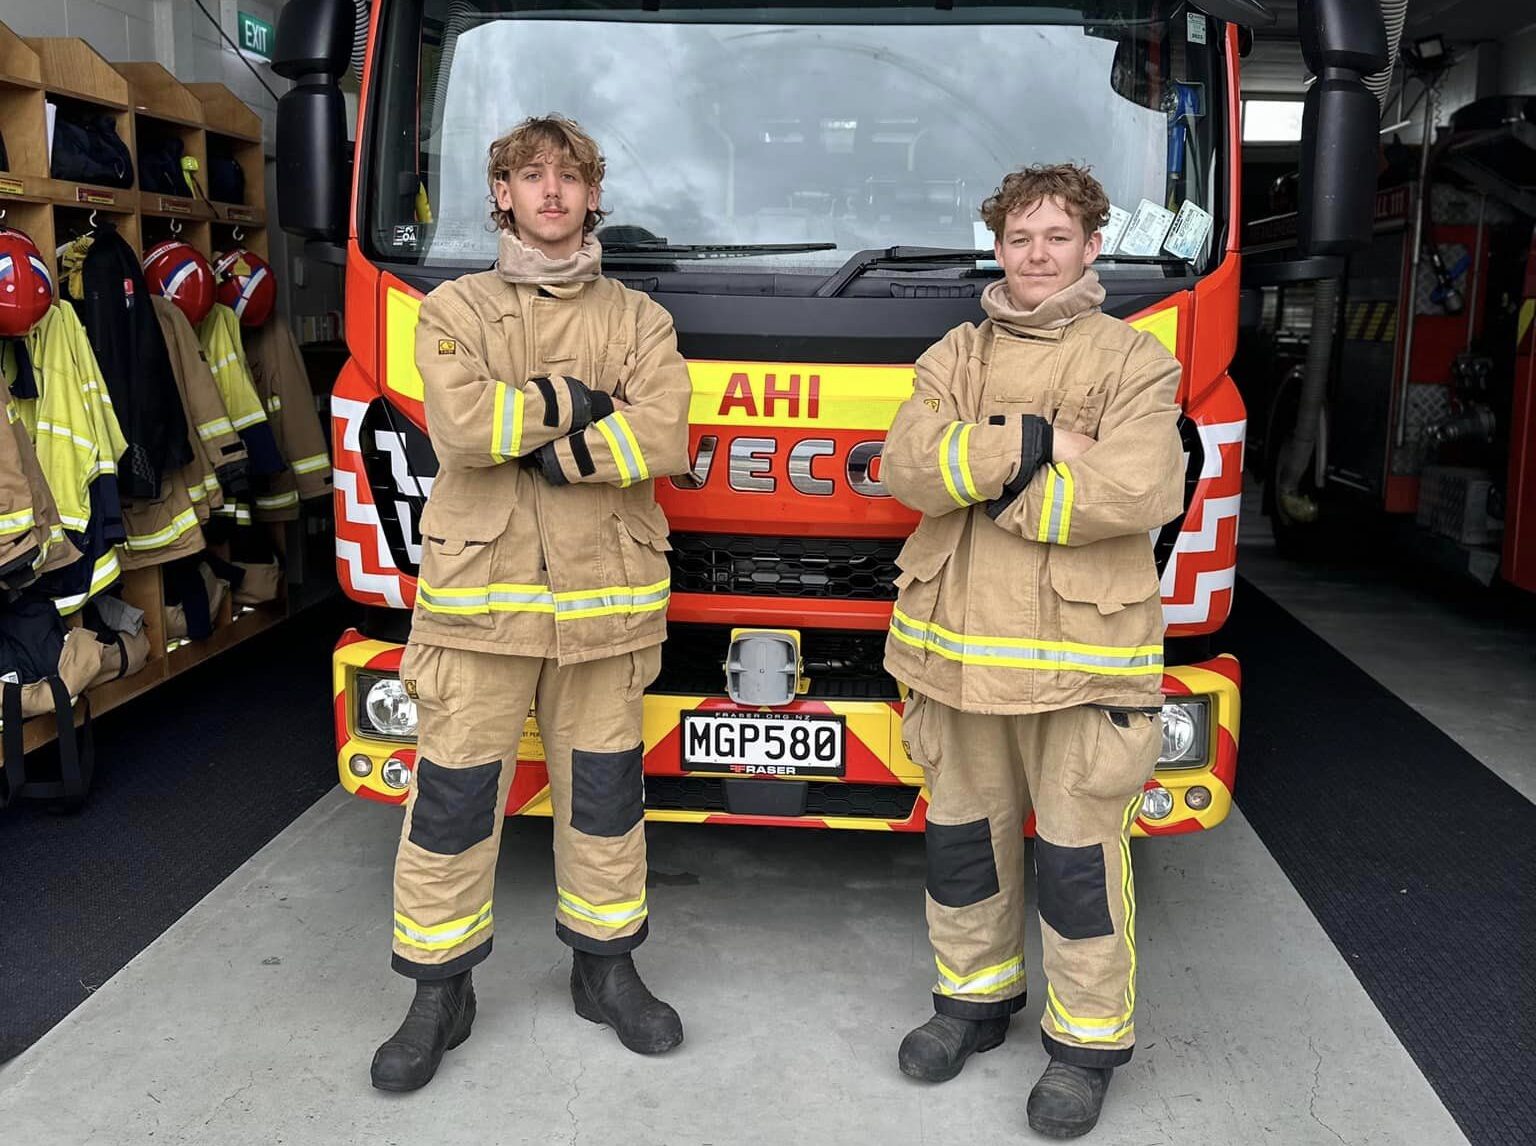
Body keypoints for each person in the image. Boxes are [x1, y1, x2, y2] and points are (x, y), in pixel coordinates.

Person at [370, 114, 693, 1092]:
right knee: (453, 805)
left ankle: (606, 969)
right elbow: (464, 429)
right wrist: (587, 405)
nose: (551, 193)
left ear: (594, 196)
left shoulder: (640, 319)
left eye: (569, 178)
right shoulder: (450, 308)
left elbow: (665, 435)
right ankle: (439, 990)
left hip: (604, 609)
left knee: (603, 802)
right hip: (478, 612)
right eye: (529, 177)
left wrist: (539, 427)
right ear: (501, 195)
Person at [881, 163, 1184, 1139]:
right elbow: (905, 467)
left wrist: (983, 471)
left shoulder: (1136, 360)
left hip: (1081, 664)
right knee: (963, 848)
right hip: (955, 659)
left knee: (1078, 865)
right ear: (997, 248)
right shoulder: (952, 354)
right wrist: (1047, 440)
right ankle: (972, 1003)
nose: (1037, 256)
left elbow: (1141, 487)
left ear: (1093, 245)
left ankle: (1085, 1046)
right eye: (1019, 239)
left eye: (1057, 237)